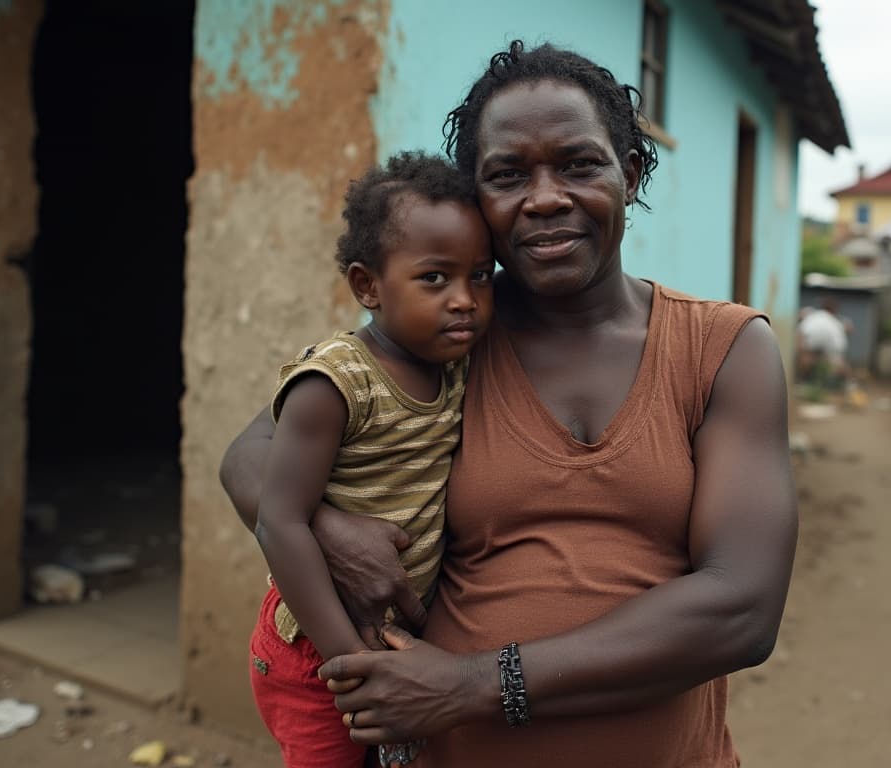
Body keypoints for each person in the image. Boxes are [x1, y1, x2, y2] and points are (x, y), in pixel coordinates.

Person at [221, 41, 797, 767]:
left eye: (580, 164)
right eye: (507, 175)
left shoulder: (723, 349)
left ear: (632, 171)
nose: (546, 196)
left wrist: (476, 686)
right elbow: (249, 455)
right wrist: (330, 527)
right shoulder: (442, 341)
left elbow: (741, 609)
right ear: (478, 200)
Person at [247, 152, 494, 768]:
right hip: (316, 650)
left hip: (392, 646)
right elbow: (279, 520)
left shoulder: (457, 366)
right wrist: (353, 670)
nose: (464, 299)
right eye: (435, 278)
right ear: (367, 286)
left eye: (480, 277)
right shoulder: (334, 383)